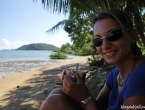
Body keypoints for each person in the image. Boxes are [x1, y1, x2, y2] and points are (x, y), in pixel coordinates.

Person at [40, 9, 145, 110]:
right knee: (57, 94)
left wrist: (84, 97)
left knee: (53, 101)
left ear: (133, 35)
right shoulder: (115, 74)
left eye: (113, 35)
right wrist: (78, 90)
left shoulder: (139, 78)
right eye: (97, 40)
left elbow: (88, 102)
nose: (105, 46)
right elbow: (98, 106)